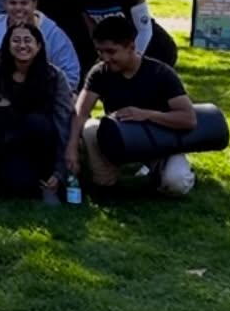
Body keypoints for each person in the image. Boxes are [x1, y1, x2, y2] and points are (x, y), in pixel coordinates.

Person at [66, 13, 197, 198]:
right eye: (100, 51)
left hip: (158, 141)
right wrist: (71, 149)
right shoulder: (100, 72)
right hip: (119, 138)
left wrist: (147, 115)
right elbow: (80, 112)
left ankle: (167, 172)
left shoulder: (161, 73)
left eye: (111, 51)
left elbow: (188, 119)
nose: (105, 58)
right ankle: (105, 183)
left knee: (176, 185)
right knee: (90, 128)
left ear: (131, 47)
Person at [0, 23, 74, 203]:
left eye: (28, 41)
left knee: (36, 122)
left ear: (38, 46)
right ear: (7, 45)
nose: (22, 46)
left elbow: (63, 124)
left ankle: (45, 180)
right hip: (2, 142)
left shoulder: (55, 77)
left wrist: (60, 171)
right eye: (15, 40)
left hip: (39, 145)